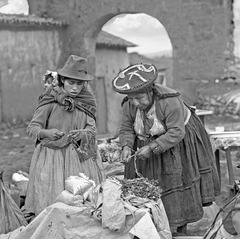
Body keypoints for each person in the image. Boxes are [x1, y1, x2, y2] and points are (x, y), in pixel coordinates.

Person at [112, 63, 220, 236]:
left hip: (179, 140)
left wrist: (153, 146)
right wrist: (125, 146)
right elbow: (126, 128)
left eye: (139, 98)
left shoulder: (169, 102)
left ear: (150, 91)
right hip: (149, 138)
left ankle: (179, 226)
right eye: (131, 98)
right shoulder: (129, 105)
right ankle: (151, 224)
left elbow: (177, 132)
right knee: (147, 183)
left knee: (177, 178)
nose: (135, 103)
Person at [24, 55, 105, 216]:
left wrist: (82, 134)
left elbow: (92, 130)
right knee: (53, 199)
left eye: (79, 83)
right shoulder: (50, 101)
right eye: (71, 83)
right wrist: (47, 133)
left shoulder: (87, 102)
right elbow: (33, 127)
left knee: (81, 200)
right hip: (52, 157)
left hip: (79, 158)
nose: (75, 88)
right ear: (62, 81)